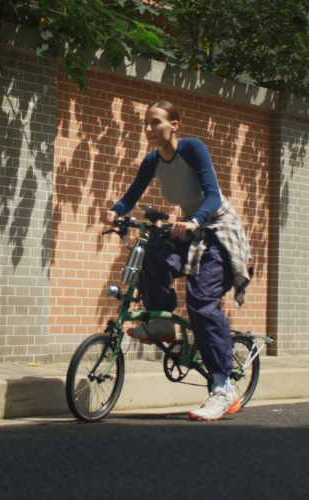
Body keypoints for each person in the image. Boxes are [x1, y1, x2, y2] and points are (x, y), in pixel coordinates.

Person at [100, 100, 252, 421]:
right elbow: (131, 197)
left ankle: (223, 388)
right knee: (151, 252)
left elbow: (212, 193)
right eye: (146, 122)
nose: (148, 129)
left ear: (174, 125)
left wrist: (195, 220)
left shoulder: (193, 149)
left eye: (155, 122)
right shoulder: (152, 160)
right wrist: (115, 212)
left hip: (219, 229)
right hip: (192, 228)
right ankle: (162, 324)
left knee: (201, 300)